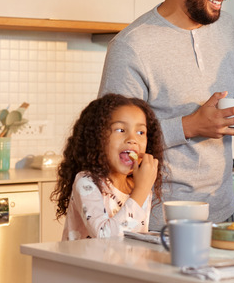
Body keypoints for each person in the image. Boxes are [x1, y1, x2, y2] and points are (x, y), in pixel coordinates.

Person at [98, 0, 234, 229]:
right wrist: (190, 125)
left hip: (224, 212)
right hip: (161, 220)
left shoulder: (228, 29)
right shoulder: (132, 46)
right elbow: (110, 139)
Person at [51, 94, 165, 240]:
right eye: (120, 130)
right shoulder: (87, 182)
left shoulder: (138, 185)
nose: (132, 139)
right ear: (97, 137)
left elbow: (135, 237)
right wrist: (141, 190)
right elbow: (104, 237)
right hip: (86, 263)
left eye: (140, 132)